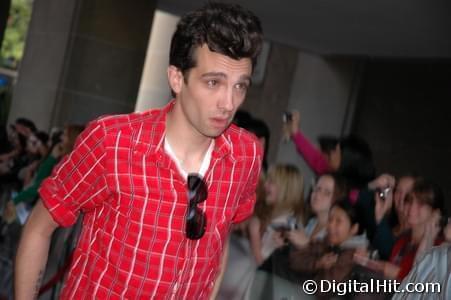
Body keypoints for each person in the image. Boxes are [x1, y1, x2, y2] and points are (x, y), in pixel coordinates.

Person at [14, 3, 263, 299]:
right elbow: (39, 229)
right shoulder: (113, 142)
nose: (229, 103)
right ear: (176, 78)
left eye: (240, 86)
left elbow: (217, 243)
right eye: (213, 83)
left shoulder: (245, 155)